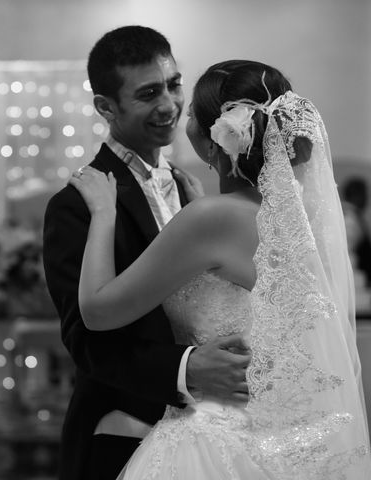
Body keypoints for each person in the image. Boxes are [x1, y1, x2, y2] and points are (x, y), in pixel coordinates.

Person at [69, 59, 371, 478]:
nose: (180, 115)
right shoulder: (298, 218)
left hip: (211, 440)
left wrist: (103, 213)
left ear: (216, 142)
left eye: (191, 111)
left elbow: (98, 312)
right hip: (278, 441)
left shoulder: (209, 219)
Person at [42, 26, 251, 480]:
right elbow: (84, 339)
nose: (169, 104)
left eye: (174, 84)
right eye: (148, 93)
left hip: (218, 438)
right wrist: (186, 368)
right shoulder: (77, 204)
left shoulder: (189, 187)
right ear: (105, 107)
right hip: (122, 435)